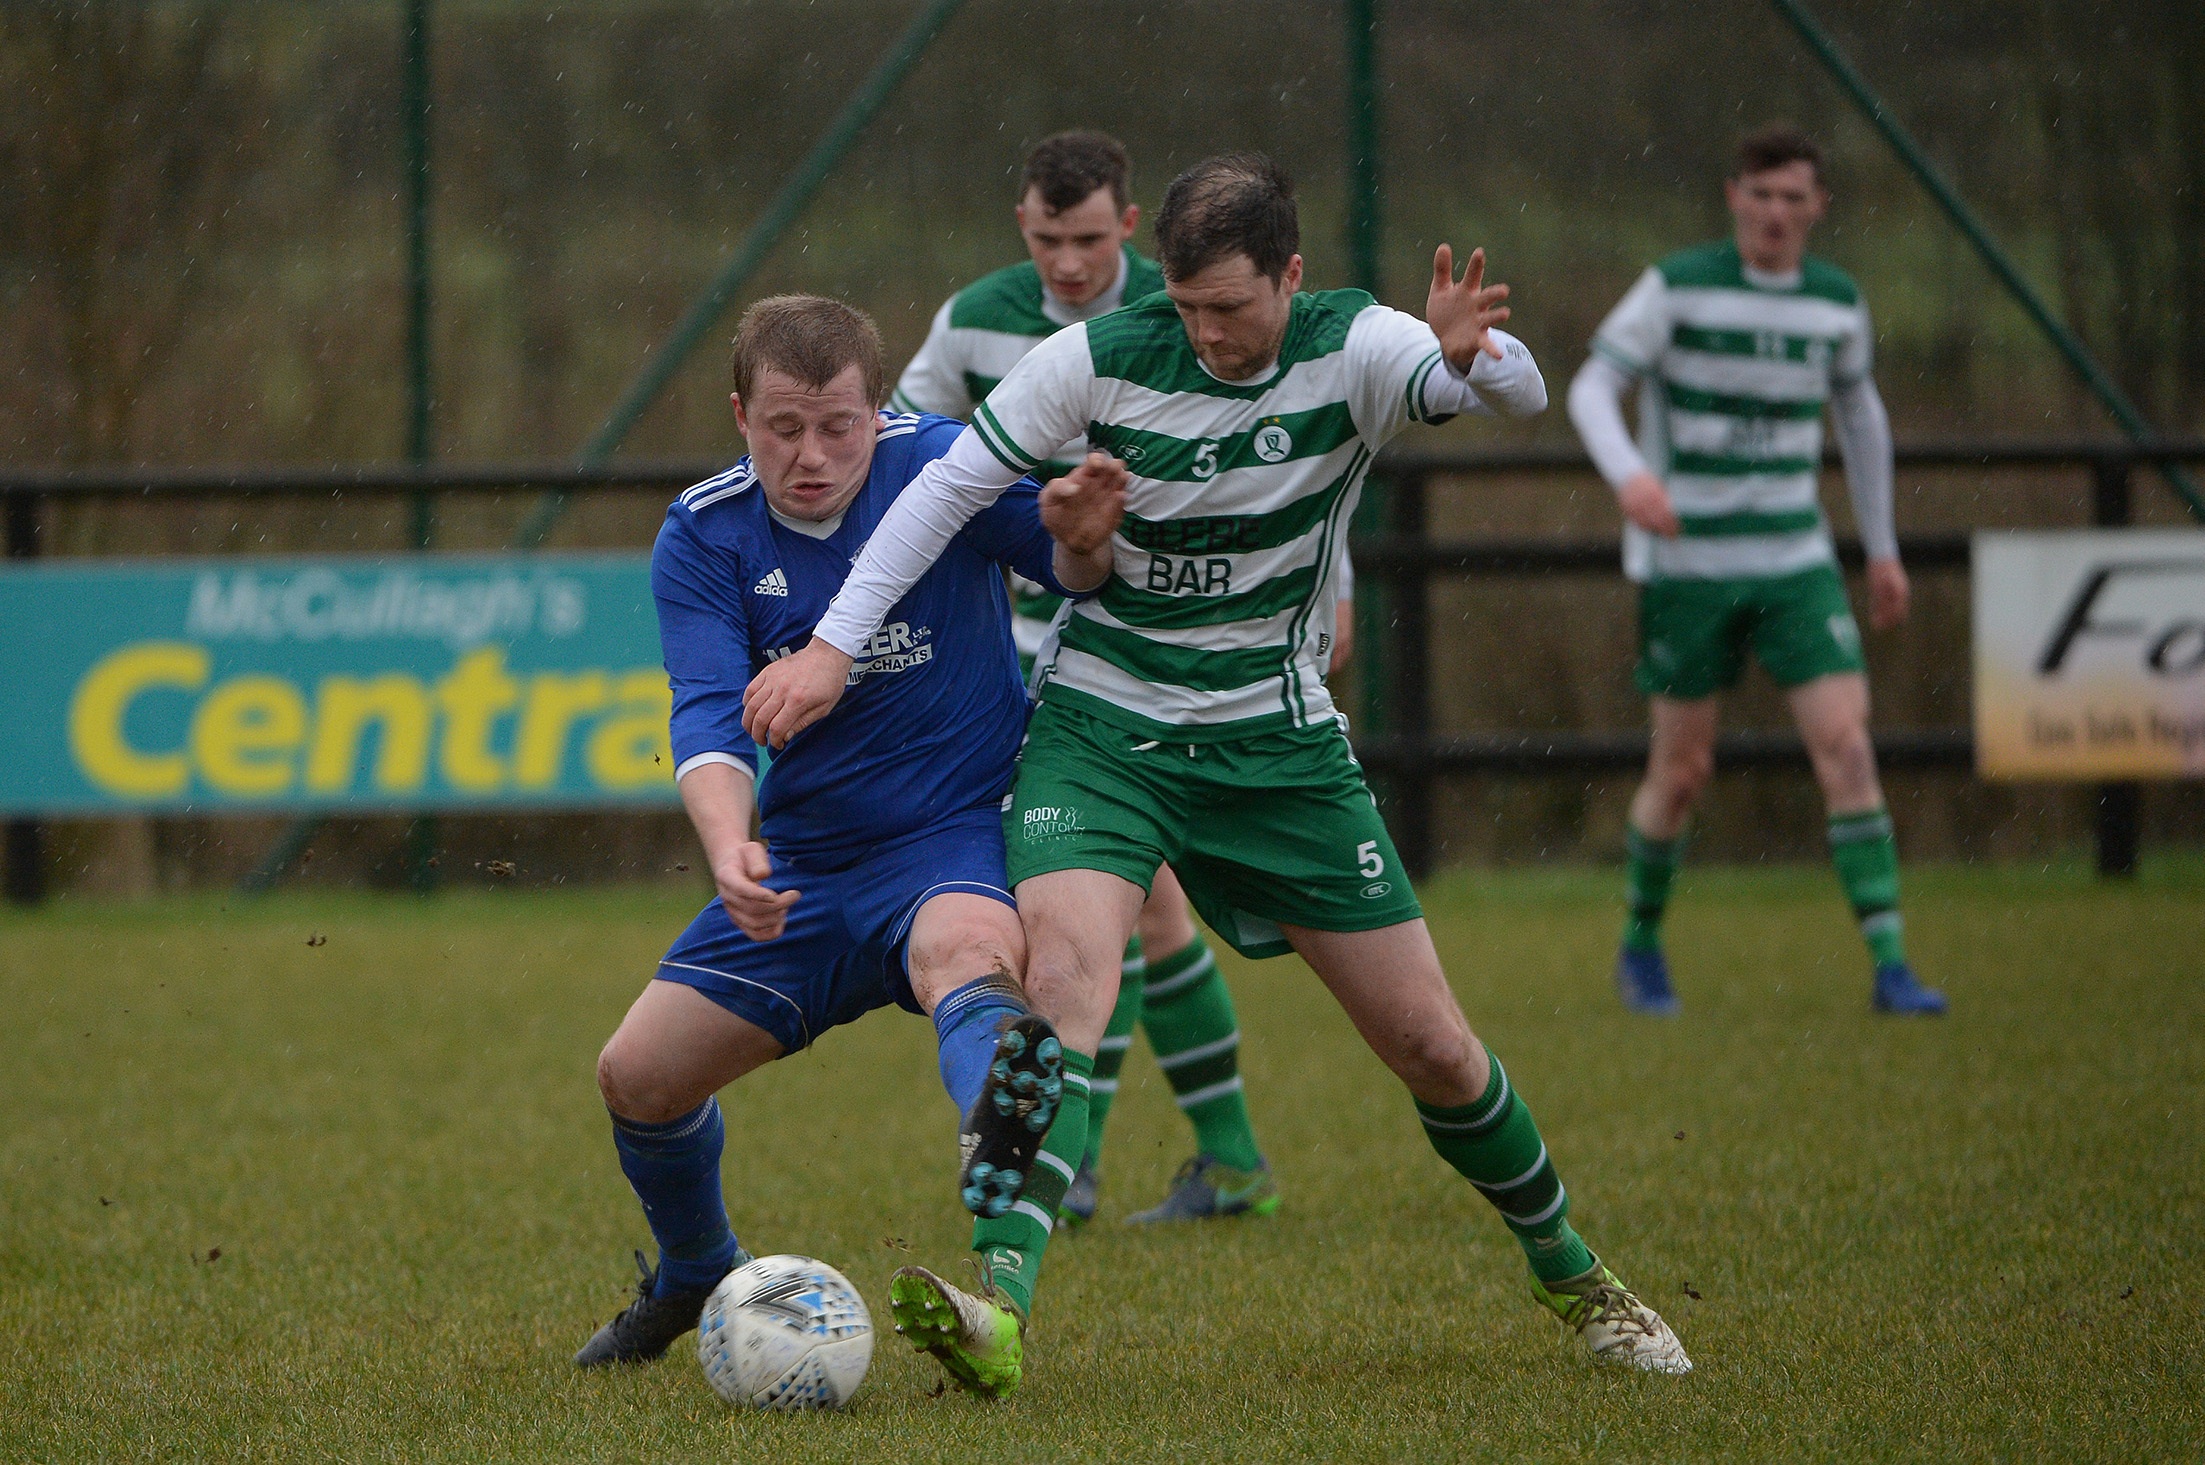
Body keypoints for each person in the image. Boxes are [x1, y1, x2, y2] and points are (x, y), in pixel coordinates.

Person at [744, 154, 1693, 1390]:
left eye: (1231, 309)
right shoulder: (1096, 355)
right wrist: (831, 649)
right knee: (1063, 989)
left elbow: (1507, 393)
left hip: (1276, 747)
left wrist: (1472, 359)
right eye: (1186, 309)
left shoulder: (1358, 344)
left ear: (1290, 278)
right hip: (1101, 732)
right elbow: (940, 493)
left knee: (1433, 1047)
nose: (1206, 335)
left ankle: (1577, 1274)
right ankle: (998, 1305)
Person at [572, 294, 1121, 1373]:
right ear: (740, 415)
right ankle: (694, 1270)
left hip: (954, 834)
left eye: (839, 425)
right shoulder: (704, 532)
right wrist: (731, 845)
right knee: (637, 1075)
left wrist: (1088, 543)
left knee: (969, 953)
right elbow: (706, 712)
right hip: (808, 871)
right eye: (783, 428)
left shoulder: (949, 463)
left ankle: (1000, 1118)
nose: (812, 455)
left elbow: (1069, 566)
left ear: (881, 407)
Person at [892, 129, 1321, 1226]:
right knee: (1136, 914)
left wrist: (1336, 585)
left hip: (1150, 651)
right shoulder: (976, 319)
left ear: (1128, 226)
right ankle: (1216, 1158)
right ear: (1022, 227)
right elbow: (902, 448)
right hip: (1027, 653)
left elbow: (1290, 452)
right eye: (1047, 240)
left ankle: (1094, 1164)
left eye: (1087, 240)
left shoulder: (1192, 313)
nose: (1067, 265)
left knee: (1130, 916)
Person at [1565, 124, 1947, 1018]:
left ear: (1818, 207)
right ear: (1733, 197)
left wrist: (1881, 547)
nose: (1775, 212)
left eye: (1792, 197)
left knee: (1848, 747)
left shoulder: (1834, 303)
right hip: (1686, 565)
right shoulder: (1676, 287)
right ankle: (1640, 945)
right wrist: (1631, 477)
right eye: (1759, 194)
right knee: (1683, 771)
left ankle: (1891, 965)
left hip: (1793, 562)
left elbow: (1861, 425)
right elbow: (1590, 386)